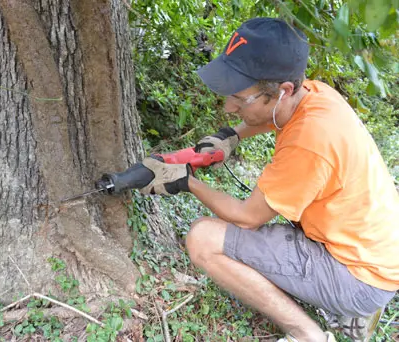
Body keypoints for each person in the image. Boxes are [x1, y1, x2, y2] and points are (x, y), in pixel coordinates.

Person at [139, 17, 399, 342]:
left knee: (203, 238)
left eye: (240, 98)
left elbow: (247, 218)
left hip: (359, 276)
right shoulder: (316, 95)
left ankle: (309, 335)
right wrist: (229, 137)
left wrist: (185, 181)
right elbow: (278, 119)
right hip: (375, 256)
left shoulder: (310, 141)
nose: (229, 107)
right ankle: (352, 310)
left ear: (283, 90)